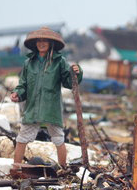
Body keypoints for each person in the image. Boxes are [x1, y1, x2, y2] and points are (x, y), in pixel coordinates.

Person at [10, 27, 83, 168]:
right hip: (33, 108)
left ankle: (63, 169)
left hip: (51, 108)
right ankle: (16, 169)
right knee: (22, 139)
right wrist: (17, 94)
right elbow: (23, 85)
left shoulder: (59, 62)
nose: (41, 43)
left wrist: (76, 73)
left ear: (51, 43)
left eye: (45, 41)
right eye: (39, 40)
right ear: (35, 43)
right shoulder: (28, 63)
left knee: (58, 139)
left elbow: (69, 82)